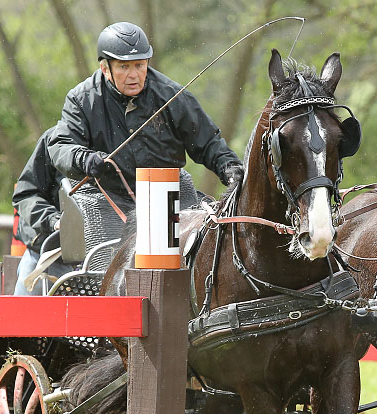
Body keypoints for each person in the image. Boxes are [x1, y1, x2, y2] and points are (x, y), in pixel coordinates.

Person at [48, 22, 242, 268]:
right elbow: (61, 145)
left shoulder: (173, 95)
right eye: (124, 67)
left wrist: (228, 166)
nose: (134, 75)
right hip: (106, 194)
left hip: (169, 189)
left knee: (196, 258)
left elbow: (208, 142)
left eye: (140, 65)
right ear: (105, 68)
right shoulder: (81, 99)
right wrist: (83, 159)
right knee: (108, 266)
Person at [12, 126, 74, 295]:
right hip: (46, 254)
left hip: (104, 257)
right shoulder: (53, 139)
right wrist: (54, 221)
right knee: (24, 316)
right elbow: (26, 194)